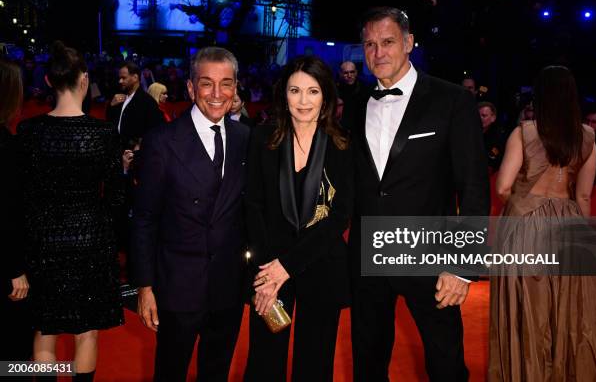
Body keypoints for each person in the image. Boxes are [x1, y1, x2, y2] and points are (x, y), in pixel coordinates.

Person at [345, 7, 489, 381]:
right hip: (368, 257)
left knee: (445, 362)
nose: (378, 53)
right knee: (368, 359)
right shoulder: (357, 102)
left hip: (430, 256)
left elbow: (473, 186)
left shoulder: (452, 100)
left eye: (388, 42)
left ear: (409, 43)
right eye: (370, 44)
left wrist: (461, 265)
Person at [131, 47, 250, 382]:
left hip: (227, 286)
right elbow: (144, 218)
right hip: (177, 287)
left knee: (216, 372)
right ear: (190, 87)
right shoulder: (161, 141)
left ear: (236, 87)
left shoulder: (246, 139)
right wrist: (145, 286)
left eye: (226, 84)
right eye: (206, 83)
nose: (217, 94)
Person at [490, 65, 596, 381]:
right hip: (570, 228)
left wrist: (522, 209)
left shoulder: (524, 133)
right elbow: (584, 197)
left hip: (526, 229)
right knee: (567, 313)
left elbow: (502, 186)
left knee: (528, 313)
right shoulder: (588, 137)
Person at [17, 41, 125, 381]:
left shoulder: (29, 131)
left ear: (48, 82)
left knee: (45, 329)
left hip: (42, 241)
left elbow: (23, 196)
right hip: (92, 239)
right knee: (86, 332)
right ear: (84, 79)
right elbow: (117, 199)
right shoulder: (105, 133)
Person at [244, 56, 353, 381]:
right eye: (295, 91)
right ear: (284, 95)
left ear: (326, 97)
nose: (303, 101)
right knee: (265, 361)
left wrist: (286, 267)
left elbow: (339, 217)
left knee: (315, 365)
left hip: (321, 267)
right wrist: (268, 274)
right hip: (268, 271)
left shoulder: (343, 145)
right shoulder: (263, 139)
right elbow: (253, 207)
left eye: (313, 91)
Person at [0, 58, 31, 362]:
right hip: (7, 271)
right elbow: (7, 213)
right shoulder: (8, 147)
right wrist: (15, 270)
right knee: (14, 358)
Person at [106, 61, 165, 148]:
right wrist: (111, 106)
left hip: (136, 155)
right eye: (119, 78)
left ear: (135, 77)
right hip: (116, 151)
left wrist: (140, 145)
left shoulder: (148, 102)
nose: (120, 81)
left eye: (124, 78)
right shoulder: (118, 98)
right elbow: (110, 123)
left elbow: (156, 131)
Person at [478, 101, 507, 171]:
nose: (479, 118)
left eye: (484, 116)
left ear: (493, 118)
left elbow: (493, 163)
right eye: (477, 116)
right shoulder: (470, 132)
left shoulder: (498, 138)